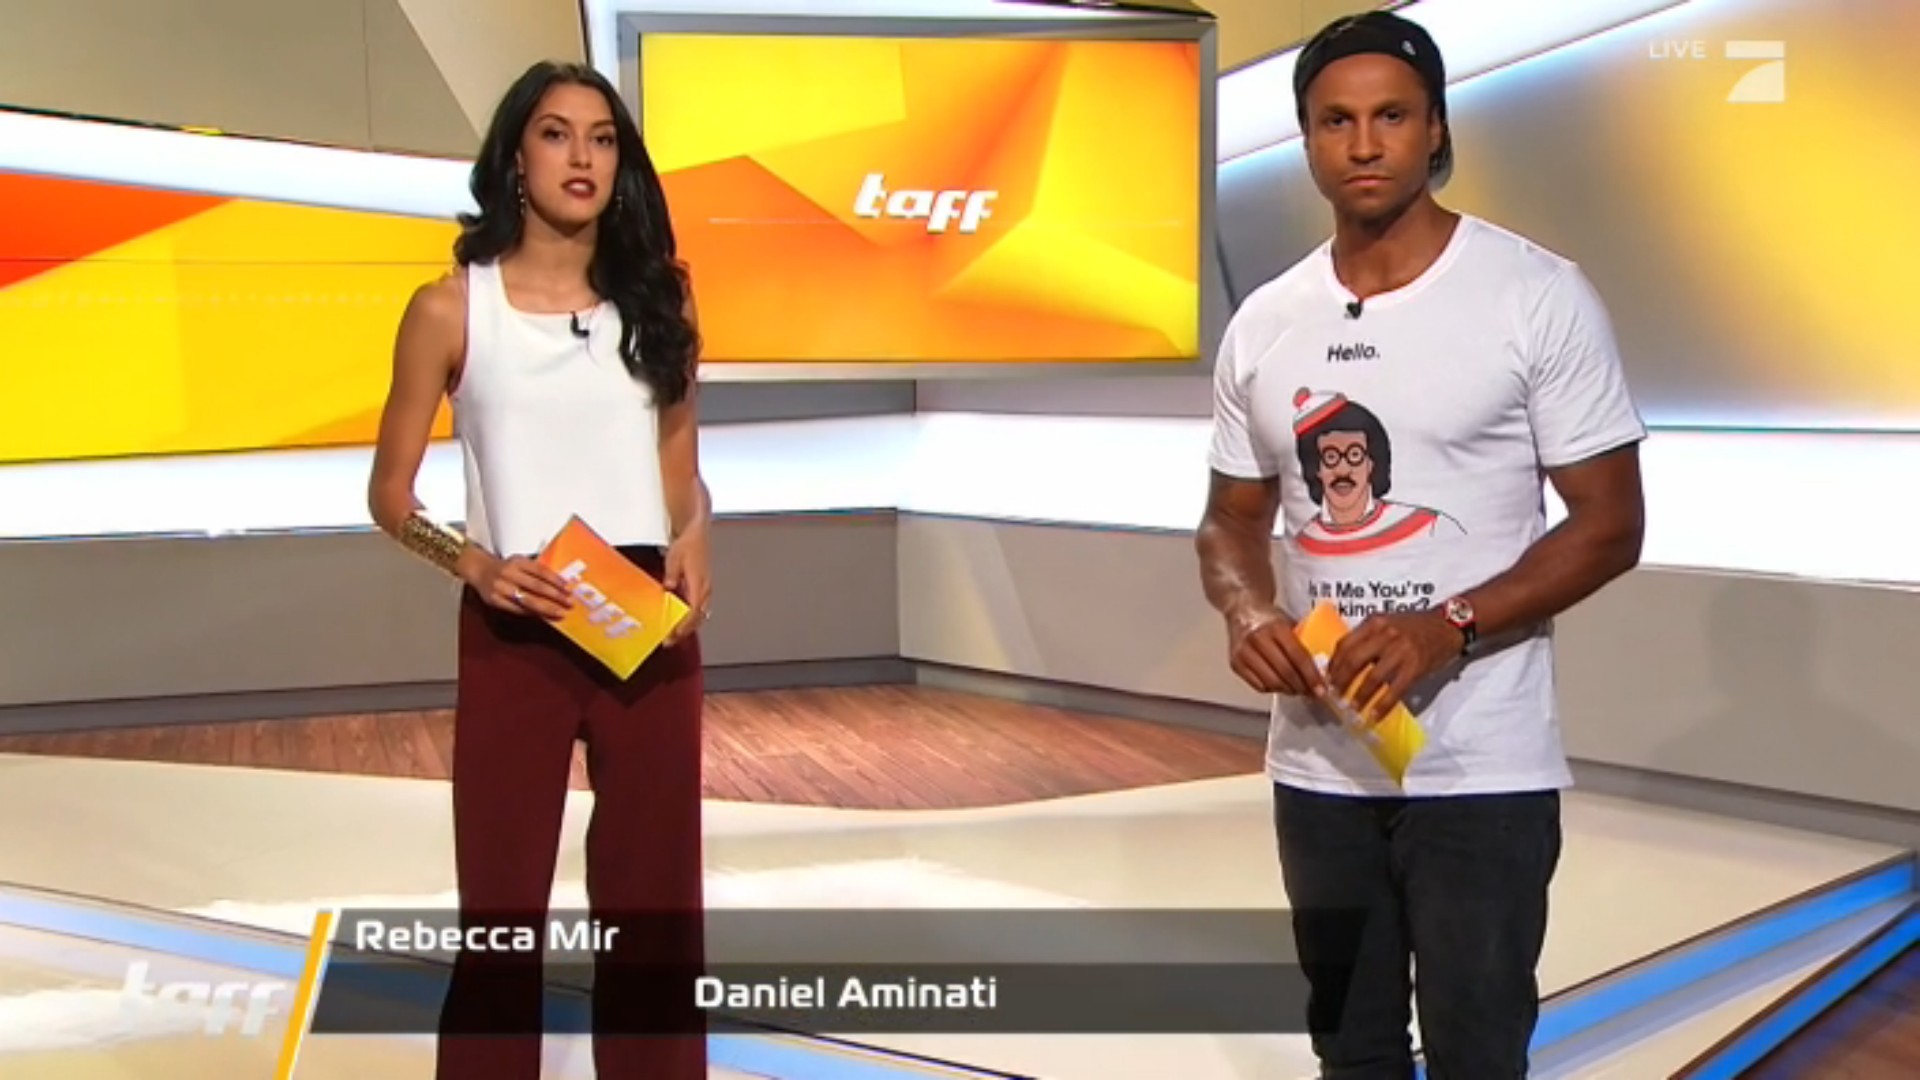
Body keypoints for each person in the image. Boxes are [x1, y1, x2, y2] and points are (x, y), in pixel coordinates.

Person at [1195, 12, 1646, 1080]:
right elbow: (1231, 521)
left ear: (1435, 127)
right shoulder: (1267, 322)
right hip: (1321, 763)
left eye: (1390, 117)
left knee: (1476, 1051)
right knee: (1350, 1049)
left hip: (1479, 765)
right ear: (1307, 138)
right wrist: (1248, 610)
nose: (1364, 144)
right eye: (1336, 121)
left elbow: (1611, 523)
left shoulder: (1535, 295)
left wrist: (1451, 625)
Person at [367, 59, 713, 1080]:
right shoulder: (449, 309)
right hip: (516, 621)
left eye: (602, 139)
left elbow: (681, 472)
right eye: (557, 134)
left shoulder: (660, 301)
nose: (582, 157)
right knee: (503, 911)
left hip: (644, 621)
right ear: (516, 158)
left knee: (655, 908)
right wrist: (474, 566)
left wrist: (699, 533)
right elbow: (390, 495)